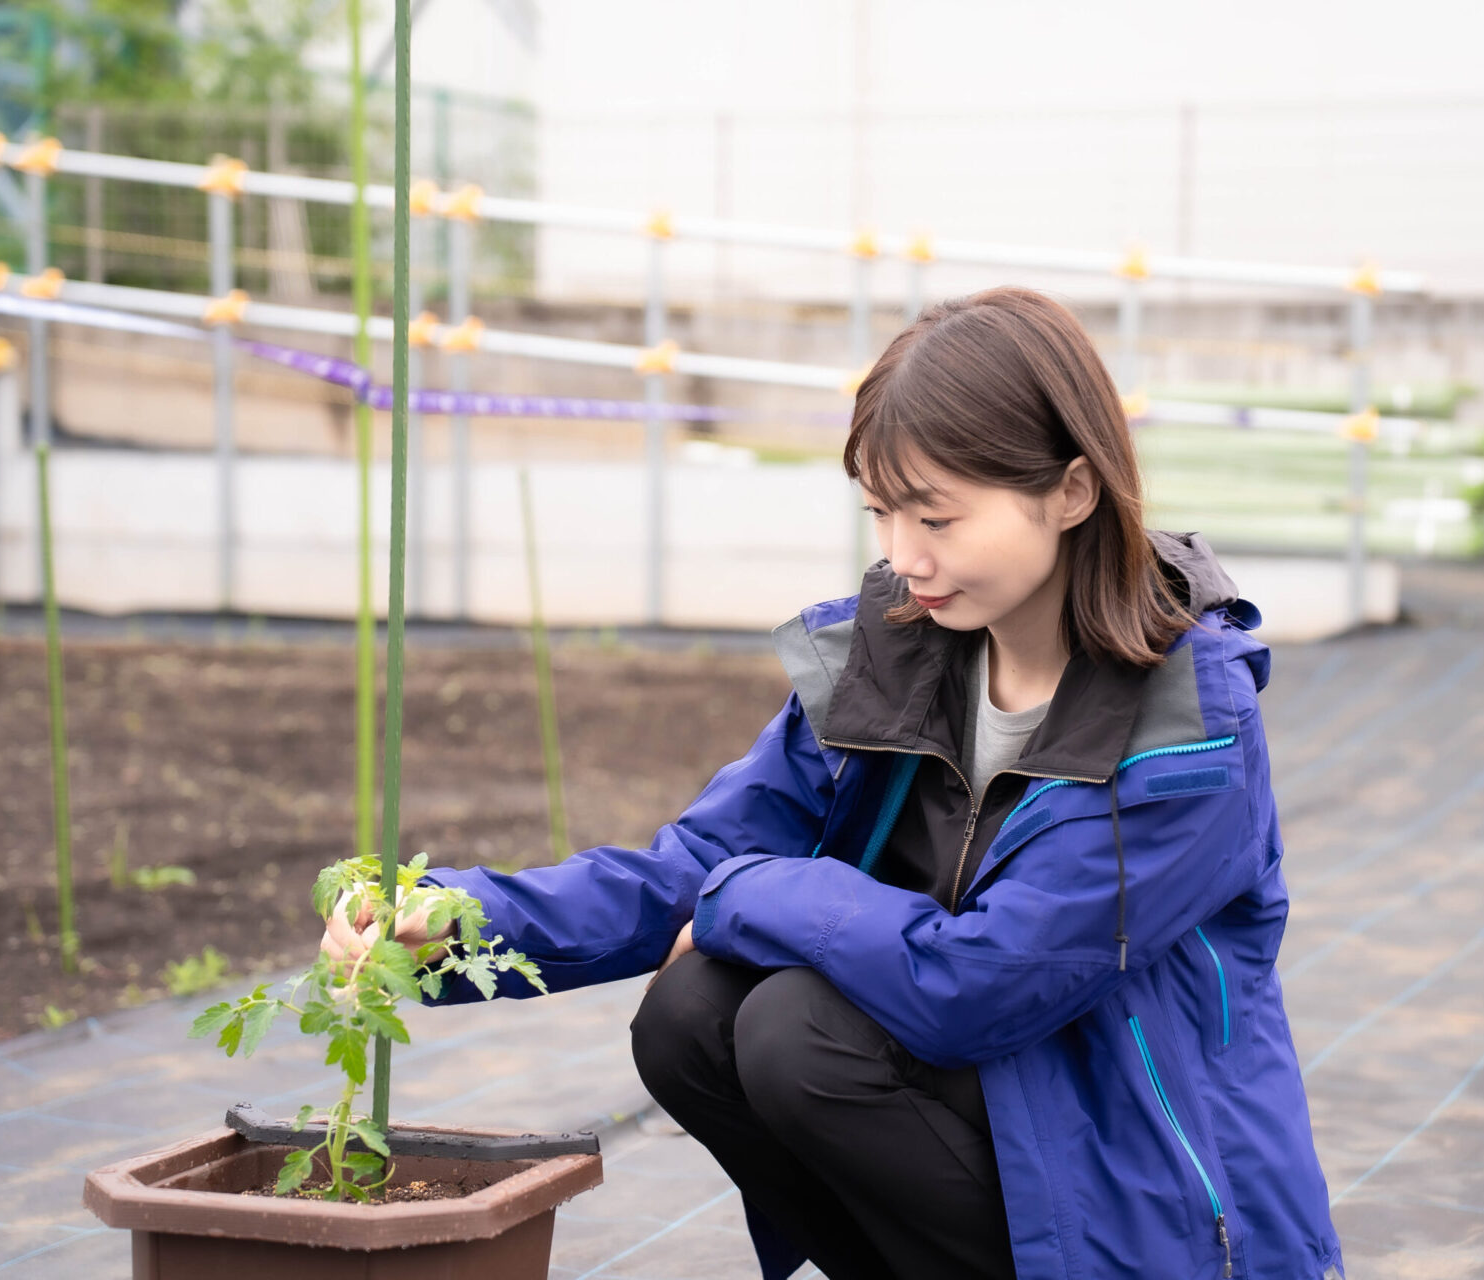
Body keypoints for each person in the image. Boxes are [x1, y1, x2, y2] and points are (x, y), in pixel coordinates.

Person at [323, 286, 1344, 1280]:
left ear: (1071, 492)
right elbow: (704, 861)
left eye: (937, 518)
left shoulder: (1185, 728)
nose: (905, 559)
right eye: (882, 513)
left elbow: (982, 983)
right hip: (989, 1134)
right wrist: (458, 919)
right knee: (693, 1015)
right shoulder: (901, 654)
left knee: (793, 1030)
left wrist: (754, 895)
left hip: (1142, 1202)